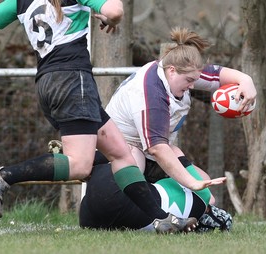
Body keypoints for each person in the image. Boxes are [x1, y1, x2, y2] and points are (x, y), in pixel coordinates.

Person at [0, 0, 222, 233]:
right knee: (79, 164)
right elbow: (115, 9)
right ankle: (5, 175)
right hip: (73, 81)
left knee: (120, 152)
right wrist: (108, 17)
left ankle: (161, 218)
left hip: (47, 82)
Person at [102, 27, 256, 193]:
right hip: (121, 145)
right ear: (172, 70)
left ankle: (176, 217)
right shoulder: (151, 91)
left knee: (206, 193)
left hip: (153, 149)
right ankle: (135, 215)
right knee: (135, 174)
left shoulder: (182, 71)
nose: (192, 85)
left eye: (194, 80)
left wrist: (246, 81)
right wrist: (190, 182)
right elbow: (157, 148)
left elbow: (218, 76)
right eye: (189, 80)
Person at [80, 163, 233, 232]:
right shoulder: (190, 215)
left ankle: (72, 157)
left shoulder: (203, 193)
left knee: (128, 151)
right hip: (92, 219)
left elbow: (174, 153)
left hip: (114, 190)